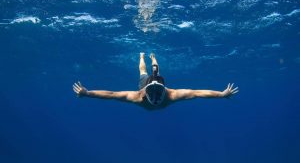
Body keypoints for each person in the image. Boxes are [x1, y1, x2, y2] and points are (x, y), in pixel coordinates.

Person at [73, 52, 239, 110]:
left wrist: (222, 94)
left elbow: (198, 92)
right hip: (146, 81)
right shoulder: (138, 95)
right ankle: (142, 56)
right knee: (143, 71)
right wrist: (87, 93)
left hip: (154, 81)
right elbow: (112, 94)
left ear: (164, 89)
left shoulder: (171, 94)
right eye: (152, 91)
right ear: (145, 92)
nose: (154, 95)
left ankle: (153, 57)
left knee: (156, 69)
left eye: (158, 91)